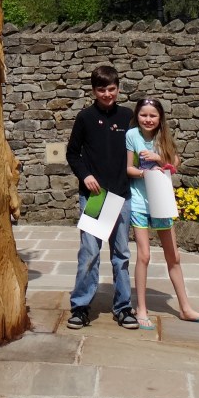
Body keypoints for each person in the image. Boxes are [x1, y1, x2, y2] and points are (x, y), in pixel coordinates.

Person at [126, 96, 199, 328]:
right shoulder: (132, 136)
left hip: (161, 201)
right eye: (143, 115)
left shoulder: (163, 136)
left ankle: (185, 308)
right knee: (144, 255)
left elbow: (174, 163)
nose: (148, 119)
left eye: (152, 115)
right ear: (137, 116)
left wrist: (158, 158)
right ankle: (141, 309)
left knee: (173, 256)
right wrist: (144, 173)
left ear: (160, 118)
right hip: (139, 202)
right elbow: (128, 168)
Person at [65, 64, 138, 329]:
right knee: (89, 254)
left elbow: (139, 148)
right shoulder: (85, 117)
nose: (107, 94)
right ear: (93, 91)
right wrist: (85, 175)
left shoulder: (128, 117)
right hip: (96, 197)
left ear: (118, 89)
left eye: (111, 89)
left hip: (122, 196)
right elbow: (72, 153)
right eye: (101, 90)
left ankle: (123, 307)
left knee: (122, 255)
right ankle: (81, 306)